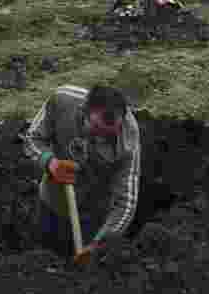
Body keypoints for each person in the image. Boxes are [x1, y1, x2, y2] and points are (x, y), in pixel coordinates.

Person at [25, 84, 141, 260]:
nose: (101, 138)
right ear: (83, 111)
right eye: (96, 130)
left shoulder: (128, 137)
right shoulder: (63, 101)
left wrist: (101, 243)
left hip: (92, 217)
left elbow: (126, 200)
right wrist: (50, 163)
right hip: (50, 205)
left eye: (108, 135)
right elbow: (32, 138)